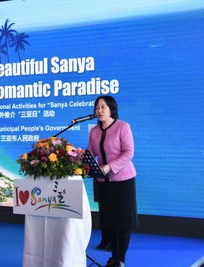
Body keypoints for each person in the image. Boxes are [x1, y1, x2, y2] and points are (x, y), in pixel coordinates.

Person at [87, 95, 138, 267]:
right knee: (109, 222)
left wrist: (109, 167)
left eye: (102, 107)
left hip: (122, 180)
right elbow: (90, 152)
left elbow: (128, 153)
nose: (99, 111)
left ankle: (120, 260)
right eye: (97, 107)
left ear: (111, 109)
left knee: (122, 222)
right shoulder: (94, 131)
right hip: (103, 182)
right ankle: (114, 258)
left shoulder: (123, 127)